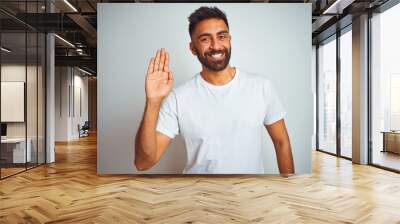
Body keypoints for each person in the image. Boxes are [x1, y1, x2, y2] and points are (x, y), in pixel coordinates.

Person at [135, 6, 294, 175]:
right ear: (192, 48)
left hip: (250, 195)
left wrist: (289, 187)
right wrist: (153, 102)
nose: (216, 45)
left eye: (222, 36)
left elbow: (281, 142)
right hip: (199, 198)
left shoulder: (261, 87)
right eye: (205, 39)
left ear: (230, 39)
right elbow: (143, 162)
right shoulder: (178, 98)